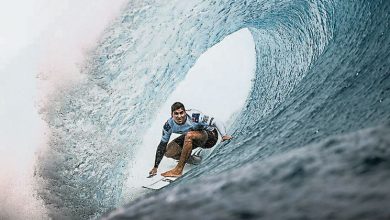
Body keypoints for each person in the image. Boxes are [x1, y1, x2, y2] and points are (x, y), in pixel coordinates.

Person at [149, 102, 232, 177]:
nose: (179, 116)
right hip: (193, 137)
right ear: (172, 115)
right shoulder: (169, 125)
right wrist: (155, 167)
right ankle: (195, 160)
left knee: (189, 135)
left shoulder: (194, 116)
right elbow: (162, 145)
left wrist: (224, 135)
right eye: (176, 114)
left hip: (210, 137)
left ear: (185, 112)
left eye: (181, 113)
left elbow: (215, 121)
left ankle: (178, 170)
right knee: (168, 152)